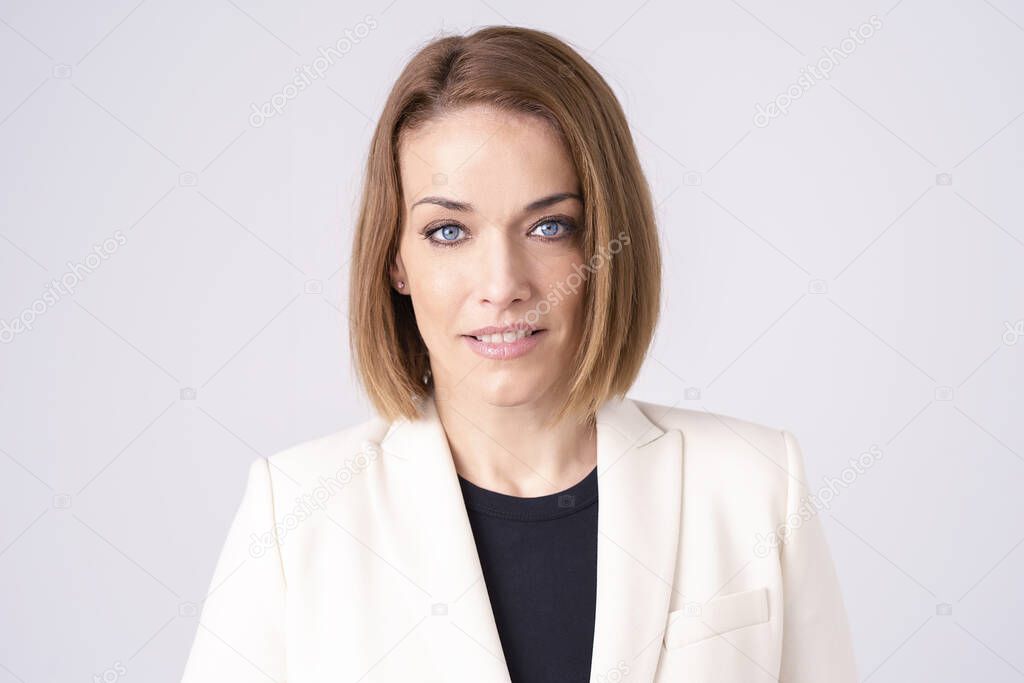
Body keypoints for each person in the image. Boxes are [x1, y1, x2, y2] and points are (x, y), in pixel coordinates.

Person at [181, 25, 857, 683]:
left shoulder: (755, 485)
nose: (503, 285)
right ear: (396, 260)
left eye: (549, 226)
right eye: (449, 230)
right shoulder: (296, 513)